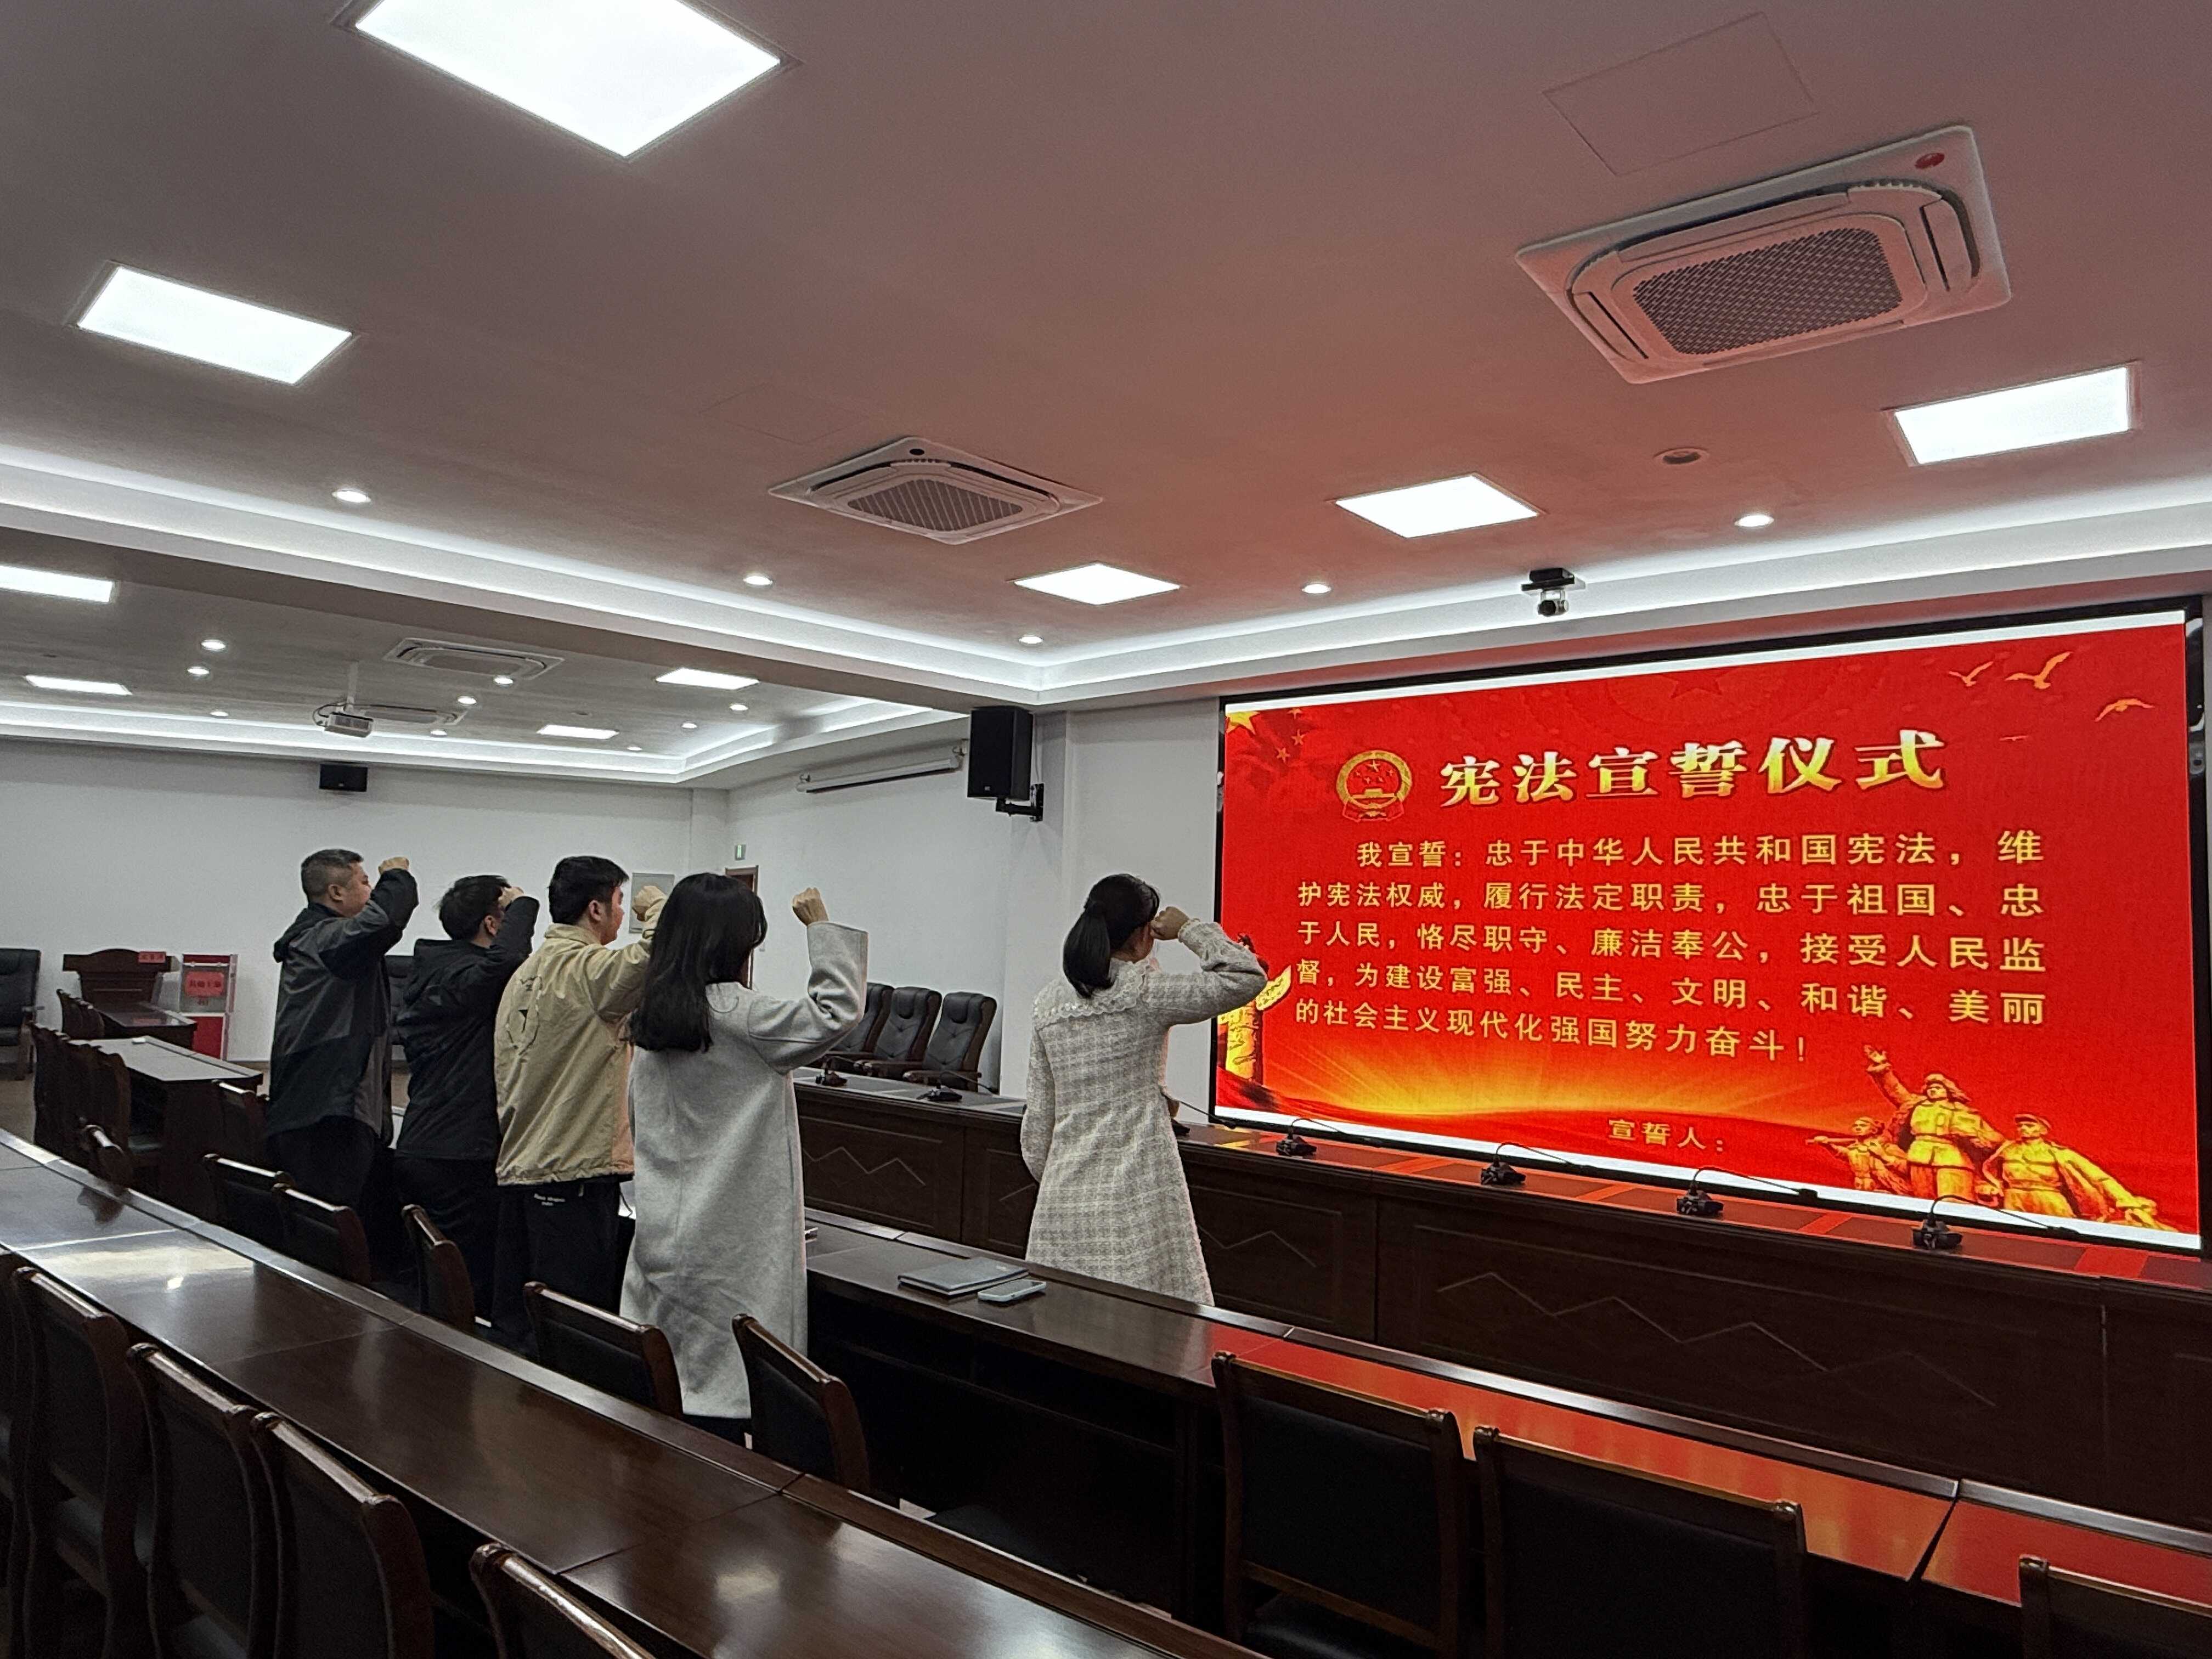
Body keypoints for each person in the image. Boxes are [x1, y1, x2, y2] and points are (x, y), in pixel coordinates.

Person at [623, 878, 864, 1435]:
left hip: (663, 1229)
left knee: (669, 1385)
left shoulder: (653, 1017)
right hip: (729, 1242)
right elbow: (838, 1011)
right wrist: (821, 926)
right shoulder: (744, 1017)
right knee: (726, 1396)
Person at [1021, 874, 1265, 1303]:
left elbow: (1037, 1129)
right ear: (1141, 933)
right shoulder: (1144, 994)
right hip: (1137, 1193)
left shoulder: (1049, 1003)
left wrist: (1063, 1182)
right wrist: (1189, 929)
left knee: (1063, 1325)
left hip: (1062, 1201)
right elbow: (1246, 976)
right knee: (1149, 1328)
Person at [493, 856, 664, 1316]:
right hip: (572, 1173)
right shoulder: (588, 969)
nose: (623, 913)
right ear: (595, 909)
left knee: (523, 1320)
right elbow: (660, 952)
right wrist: (658, 907)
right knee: (571, 1322)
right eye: (620, 902)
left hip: (524, 1166)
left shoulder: (526, 971)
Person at [393, 874, 538, 1314]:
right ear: (492, 925)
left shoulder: (436, 967)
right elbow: (505, 962)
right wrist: (524, 905)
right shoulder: (463, 975)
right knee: (464, 1285)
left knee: (442, 1279)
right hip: (458, 1149)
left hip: (432, 1139)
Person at [267, 848, 417, 1270]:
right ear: (336, 893)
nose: (370, 890)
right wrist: (397, 877)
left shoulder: (317, 938)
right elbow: (386, 920)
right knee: (327, 1232)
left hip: (318, 1103)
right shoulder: (327, 939)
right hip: (328, 1107)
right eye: (364, 882)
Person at [1978, 1112, 2171, 1228]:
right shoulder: (2007, 1150)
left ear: (2043, 1130)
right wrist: (1987, 1186)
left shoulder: (2060, 1154)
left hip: (2049, 1198)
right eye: (2021, 1126)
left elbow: (2099, 1178)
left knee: (2059, 1239)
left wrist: (2129, 1204)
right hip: (2014, 1197)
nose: (2023, 1129)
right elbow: (1988, 1170)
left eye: (2030, 1125)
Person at [1864, 1046, 2003, 1202]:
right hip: (1919, 1156)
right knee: (1923, 1201)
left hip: (1951, 1160)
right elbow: (1895, 1090)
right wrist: (1882, 1067)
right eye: (1930, 1088)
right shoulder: (1916, 1105)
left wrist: (1972, 1135)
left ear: (1948, 1091)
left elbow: (1994, 1139)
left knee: (1954, 1201)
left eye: (1938, 1088)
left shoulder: (1963, 1111)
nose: (1933, 1090)